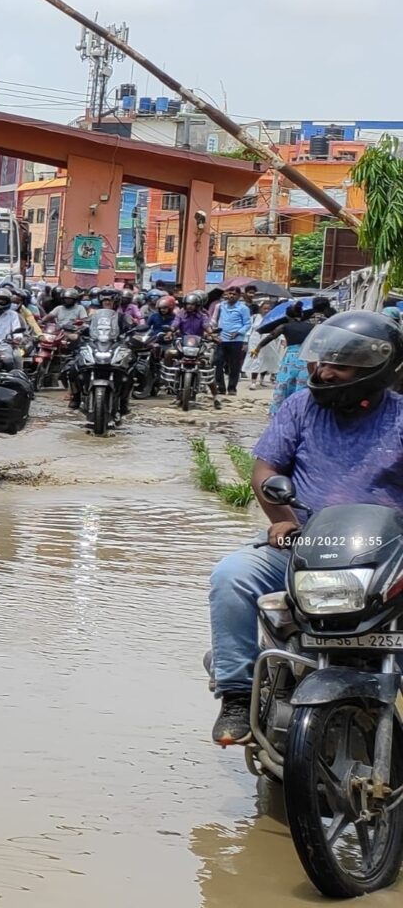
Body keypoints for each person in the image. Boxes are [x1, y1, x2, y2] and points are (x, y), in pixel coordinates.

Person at [208, 310, 403, 744]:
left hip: (388, 558)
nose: (324, 372)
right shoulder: (299, 408)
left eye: (340, 365)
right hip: (303, 544)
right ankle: (238, 694)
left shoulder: (400, 417)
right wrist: (282, 519)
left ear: (375, 368)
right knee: (231, 576)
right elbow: (265, 469)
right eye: (321, 362)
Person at [257, 301, 315, 414]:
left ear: (287, 316)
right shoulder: (312, 327)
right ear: (302, 315)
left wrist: (258, 347)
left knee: (285, 383)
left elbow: (271, 336)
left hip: (291, 358)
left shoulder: (284, 326)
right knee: (302, 384)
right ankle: (301, 411)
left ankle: (280, 411)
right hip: (306, 357)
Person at [169, 291, 221, 409]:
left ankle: (216, 397)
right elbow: (175, 324)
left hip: (198, 346)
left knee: (206, 367)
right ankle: (172, 385)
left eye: (192, 304)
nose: (189, 306)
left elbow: (207, 326)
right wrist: (170, 331)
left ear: (198, 306)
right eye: (187, 304)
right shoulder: (180, 314)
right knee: (169, 354)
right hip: (183, 344)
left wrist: (213, 336)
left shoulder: (203, 316)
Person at [213, 286, 252, 395]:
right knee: (218, 363)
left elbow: (247, 324)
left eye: (234, 294)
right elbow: (214, 320)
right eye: (229, 293)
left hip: (236, 340)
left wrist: (239, 332)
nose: (231, 296)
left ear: (239, 296)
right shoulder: (221, 306)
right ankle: (220, 387)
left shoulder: (243, 308)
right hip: (221, 339)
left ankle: (232, 387)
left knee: (234, 365)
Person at [246, 301, 282, 388]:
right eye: (264, 308)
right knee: (255, 359)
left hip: (268, 340)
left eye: (268, 309)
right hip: (255, 340)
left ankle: (262, 379)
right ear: (260, 309)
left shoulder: (274, 318)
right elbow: (248, 330)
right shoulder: (254, 318)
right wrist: (245, 342)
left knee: (266, 360)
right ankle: (253, 381)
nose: (266, 311)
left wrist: (281, 340)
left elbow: (279, 330)